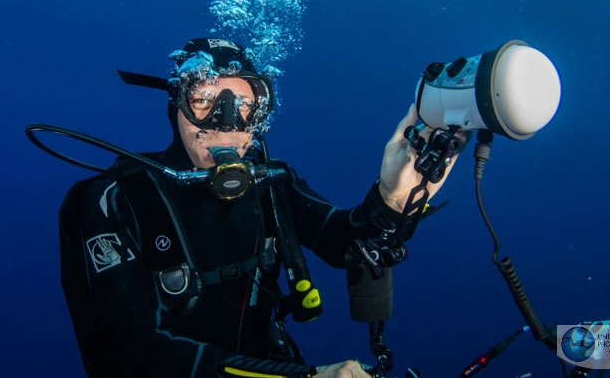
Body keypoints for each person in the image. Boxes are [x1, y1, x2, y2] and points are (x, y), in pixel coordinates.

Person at [58, 38, 468, 378]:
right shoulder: (111, 198)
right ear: (175, 106)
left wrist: (393, 197)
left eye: (244, 106)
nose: (225, 122)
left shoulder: (270, 184)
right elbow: (133, 348)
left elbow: (347, 243)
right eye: (203, 100)